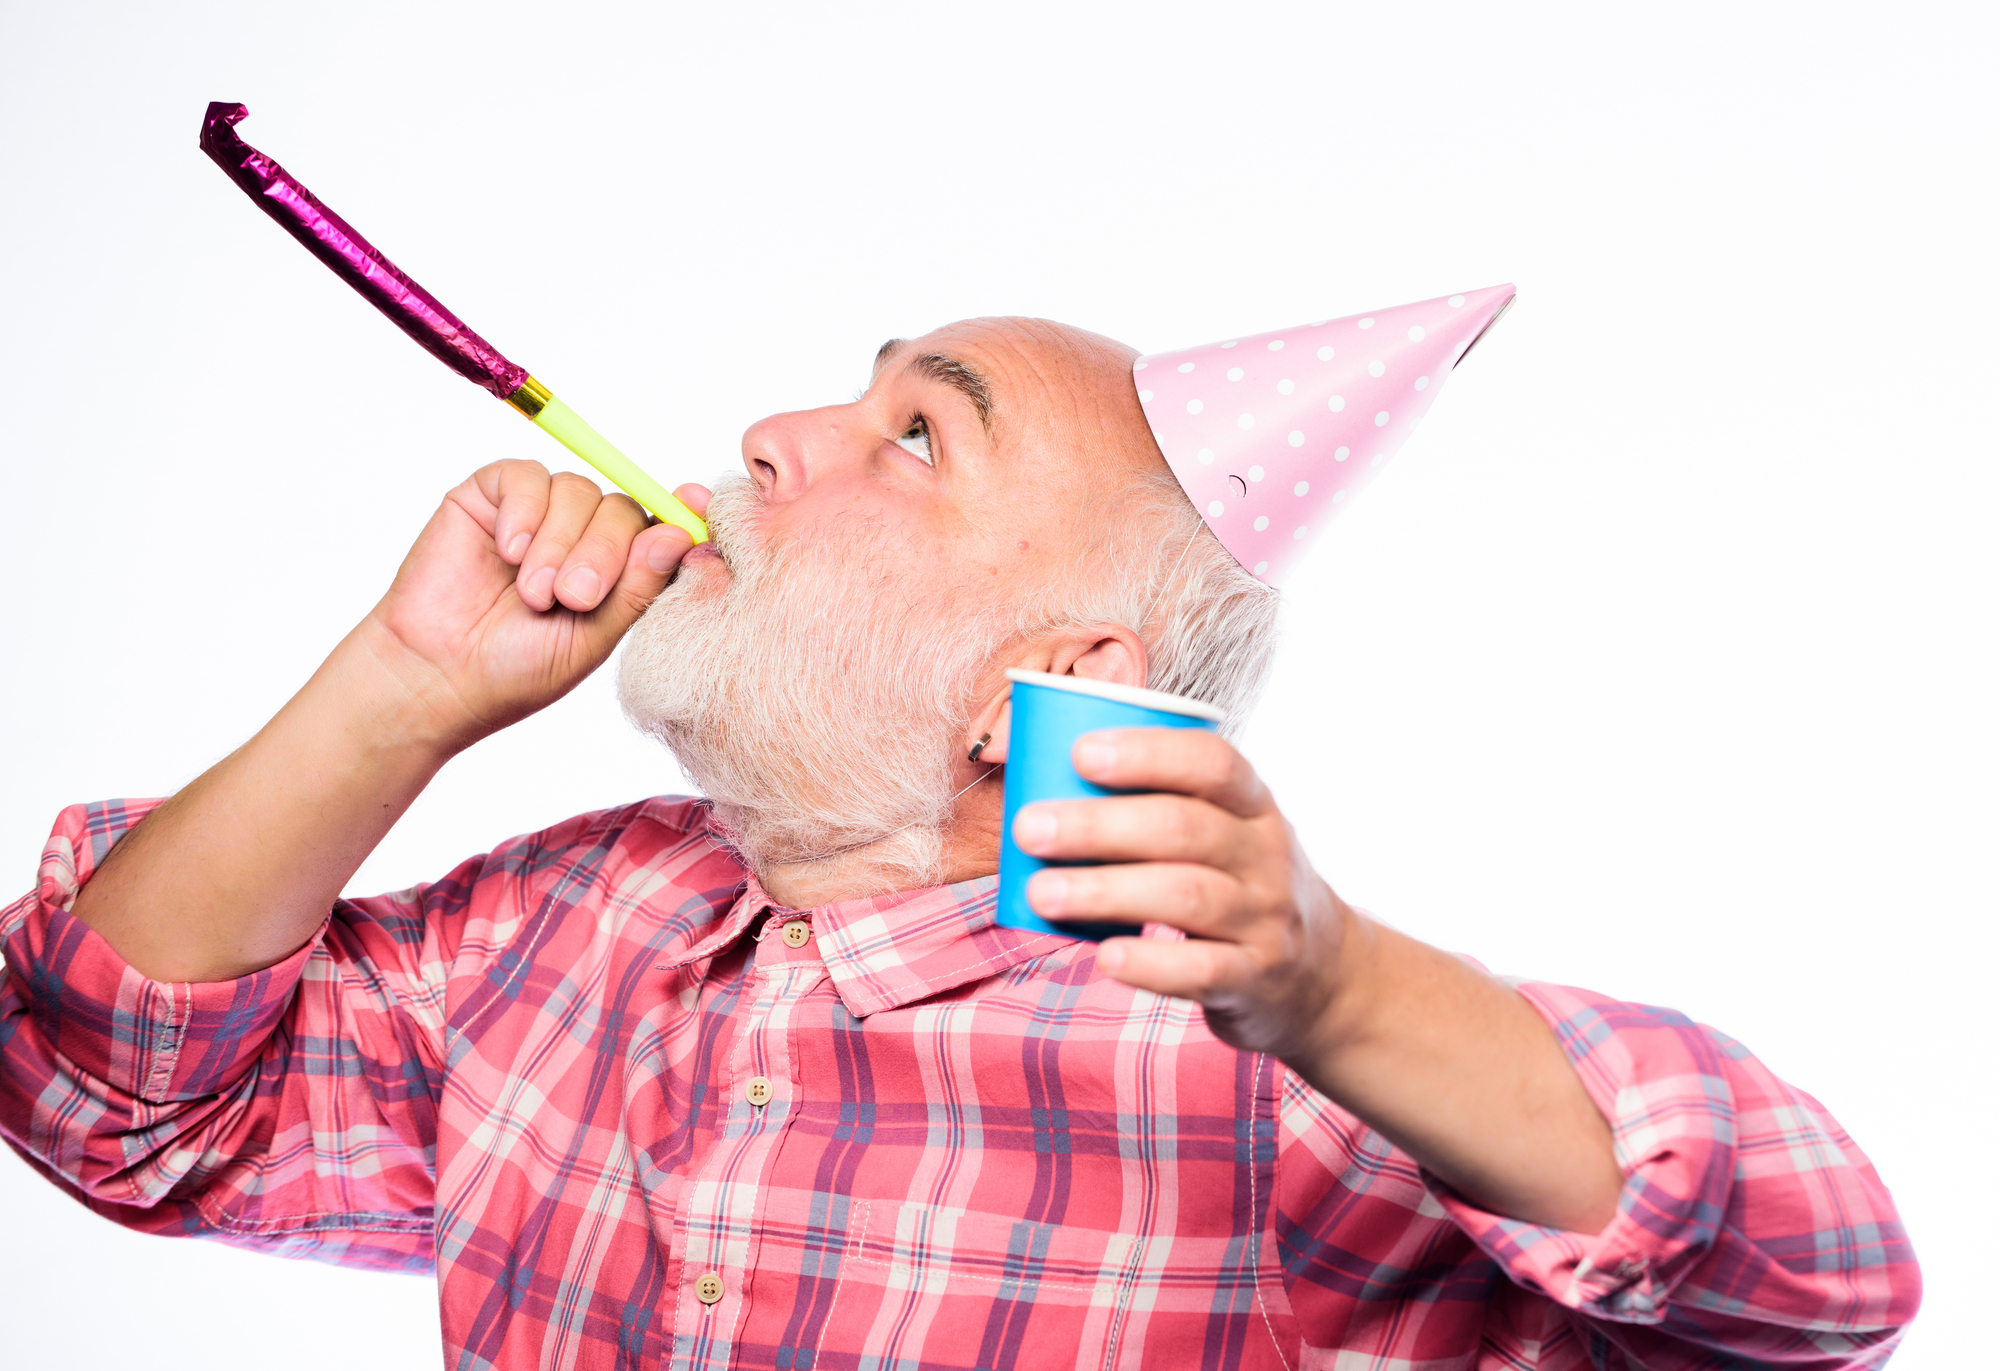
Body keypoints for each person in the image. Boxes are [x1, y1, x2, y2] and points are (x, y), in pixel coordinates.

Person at [0, 315, 1917, 1369]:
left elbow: (1823, 1288)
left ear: (1051, 682)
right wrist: (400, 688)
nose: (772, 433)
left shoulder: (1268, 1085)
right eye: (859, 393)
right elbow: (105, 1092)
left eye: (920, 436)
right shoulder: (565, 928)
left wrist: (1336, 992)